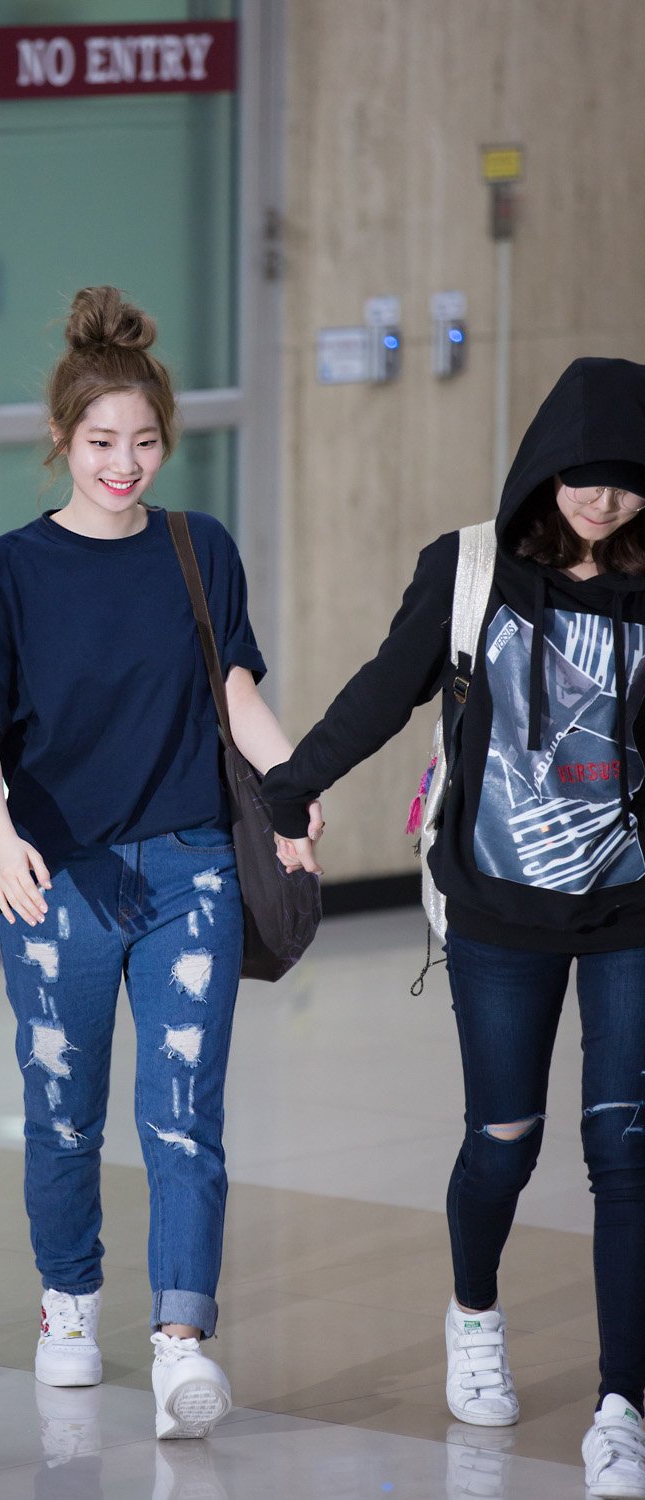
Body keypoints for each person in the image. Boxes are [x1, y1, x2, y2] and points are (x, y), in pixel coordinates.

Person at [0, 285, 319, 1441]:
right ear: (60, 440)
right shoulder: (6, 572)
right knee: (61, 1115)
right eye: (101, 441)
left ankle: (181, 1341)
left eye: (144, 442)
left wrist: (295, 790)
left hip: (191, 871)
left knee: (184, 1115)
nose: (124, 464)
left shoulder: (199, 551)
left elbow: (234, 695)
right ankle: (70, 1302)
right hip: (56, 883)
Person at [262, 356, 645, 1499]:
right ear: (545, 466)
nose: (604, 500)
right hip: (495, 904)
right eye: (583, 475)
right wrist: (291, 785)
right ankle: (473, 1314)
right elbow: (386, 688)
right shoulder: (471, 568)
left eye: (628, 480)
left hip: (632, 904)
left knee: (626, 1151)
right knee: (504, 1139)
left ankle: (622, 1406)